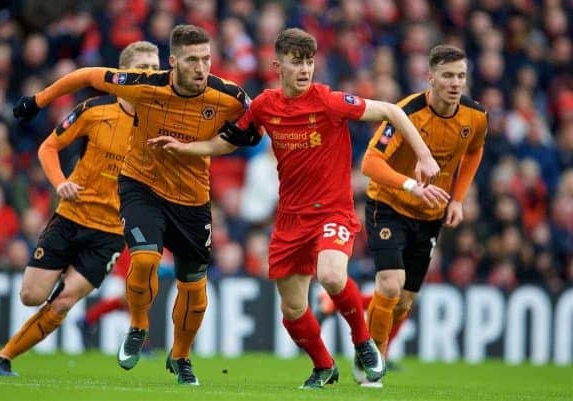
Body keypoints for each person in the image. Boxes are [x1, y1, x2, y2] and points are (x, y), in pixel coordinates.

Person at [148, 28, 445, 389]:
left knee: (333, 276)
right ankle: (324, 366)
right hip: (290, 218)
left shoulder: (329, 101)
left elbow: (390, 112)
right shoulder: (264, 106)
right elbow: (231, 142)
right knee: (292, 310)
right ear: (278, 66)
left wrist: (424, 155)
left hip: (332, 211)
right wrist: (184, 148)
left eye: (309, 63)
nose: (304, 70)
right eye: (296, 63)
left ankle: (364, 342)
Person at [12, 25, 251, 385]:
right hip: (141, 187)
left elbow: (256, 125)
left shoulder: (229, 96)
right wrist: (38, 100)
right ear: (173, 63)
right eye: (191, 60)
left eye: (206, 59)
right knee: (144, 259)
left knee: (194, 287)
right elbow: (86, 74)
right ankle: (138, 325)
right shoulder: (142, 86)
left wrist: (200, 148)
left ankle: (181, 356)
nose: (201, 68)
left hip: (192, 199)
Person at [0, 41, 161, 376]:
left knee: (64, 302)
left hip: (110, 234)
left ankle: (3, 358)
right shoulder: (94, 112)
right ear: (123, 73)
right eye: (143, 68)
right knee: (31, 295)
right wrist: (58, 182)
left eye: (155, 69)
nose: (150, 75)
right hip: (71, 216)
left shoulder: (160, 125)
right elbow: (49, 147)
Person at [360, 44, 487, 380]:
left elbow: (474, 151)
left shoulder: (475, 117)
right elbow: (370, 163)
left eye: (461, 75)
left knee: (402, 302)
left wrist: (457, 199)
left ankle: (362, 329)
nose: (456, 82)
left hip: (430, 215)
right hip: (388, 203)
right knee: (390, 284)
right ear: (430, 77)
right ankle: (372, 360)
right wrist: (411, 186)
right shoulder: (407, 113)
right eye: (447, 76)